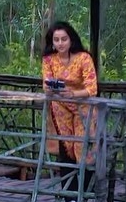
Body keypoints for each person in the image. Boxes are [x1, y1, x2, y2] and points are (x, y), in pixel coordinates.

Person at [41, 21, 98, 163]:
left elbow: (92, 88)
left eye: (64, 39)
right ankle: (68, 184)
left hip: (83, 105)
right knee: (65, 143)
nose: (60, 43)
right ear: (52, 42)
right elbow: (46, 81)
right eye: (56, 40)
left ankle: (86, 183)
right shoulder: (49, 59)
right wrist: (49, 88)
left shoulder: (84, 58)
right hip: (60, 105)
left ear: (71, 40)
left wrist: (73, 94)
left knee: (82, 145)